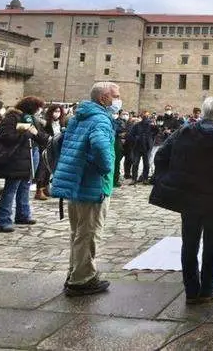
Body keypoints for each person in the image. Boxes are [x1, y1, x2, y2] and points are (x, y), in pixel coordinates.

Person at [150, 96, 213, 304]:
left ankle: (192, 291)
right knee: (212, 244)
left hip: (188, 198)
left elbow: (161, 156)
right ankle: (208, 289)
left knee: (189, 244)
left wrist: (173, 177)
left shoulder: (184, 131)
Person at [51, 82, 120, 296]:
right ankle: (82, 279)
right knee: (89, 232)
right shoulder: (100, 119)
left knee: (78, 232)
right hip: (93, 184)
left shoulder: (78, 117)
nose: (118, 100)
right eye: (115, 96)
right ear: (103, 98)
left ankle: (75, 272)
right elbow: (100, 146)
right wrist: (106, 167)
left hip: (76, 181)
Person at [0, 96, 50, 233]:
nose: (38, 111)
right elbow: (6, 137)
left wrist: (38, 134)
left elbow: (41, 137)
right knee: (11, 188)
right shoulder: (12, 117)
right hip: (16, 157)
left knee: (25, 186)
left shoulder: (31, 119)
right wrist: (24, 133)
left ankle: (23, 214)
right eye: (37, 108)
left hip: (30, 155)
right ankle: (3, 220)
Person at [35, 105, 63, 200]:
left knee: (49, 169)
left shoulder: (60, 123)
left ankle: (46, 187)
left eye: (59, 111)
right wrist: (49, 138)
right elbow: (41, 134)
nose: (57, 113)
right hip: (45, 147)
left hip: (55, 148)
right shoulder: (45, 122)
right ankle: (39, 190)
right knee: (42, 169)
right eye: (55, 111)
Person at [128, 113, 156, 184]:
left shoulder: (150, 126)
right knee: (135, 163)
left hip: (147, 147)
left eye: (147, 116)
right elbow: (131, 135)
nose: (145, 118)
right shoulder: (136, 125)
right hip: (137, 147)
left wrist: (150, 139)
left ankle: (145, 178)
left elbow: (156, 132)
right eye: (144, 116)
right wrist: (136, 139)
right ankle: (134, 179)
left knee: (146, 164)